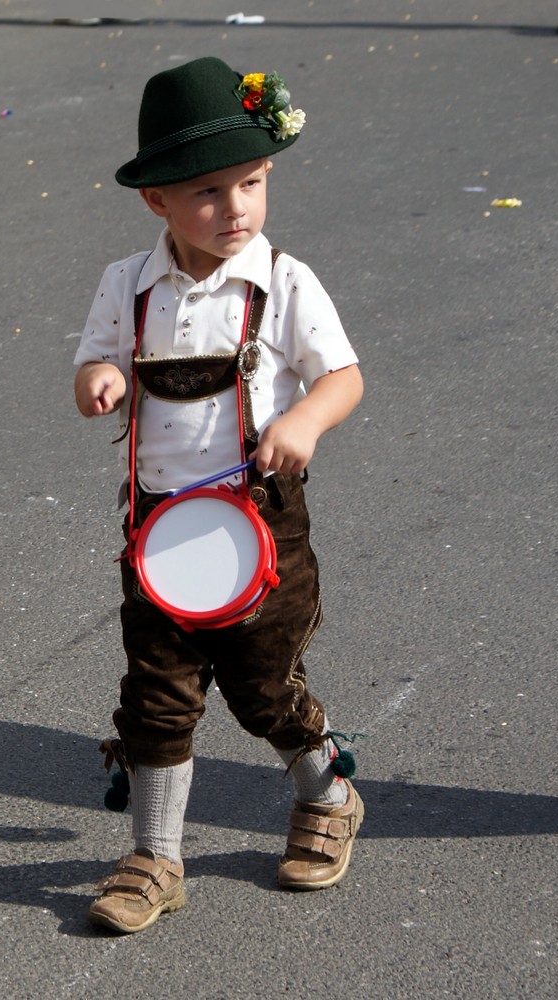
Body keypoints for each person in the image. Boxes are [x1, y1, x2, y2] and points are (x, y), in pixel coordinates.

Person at [73, 56, 365, 934]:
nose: (235, 208)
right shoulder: (127, 285)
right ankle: (156, 855)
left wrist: (307, 421)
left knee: (263, 689)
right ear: (155, 200)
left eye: (252, 181)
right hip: (160, 531)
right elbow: (92, 356)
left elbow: (343, 377)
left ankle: (328, 791)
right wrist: (100, 378)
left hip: (261, 528)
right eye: (207, 191)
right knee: (156, 694)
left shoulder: (284, 283)